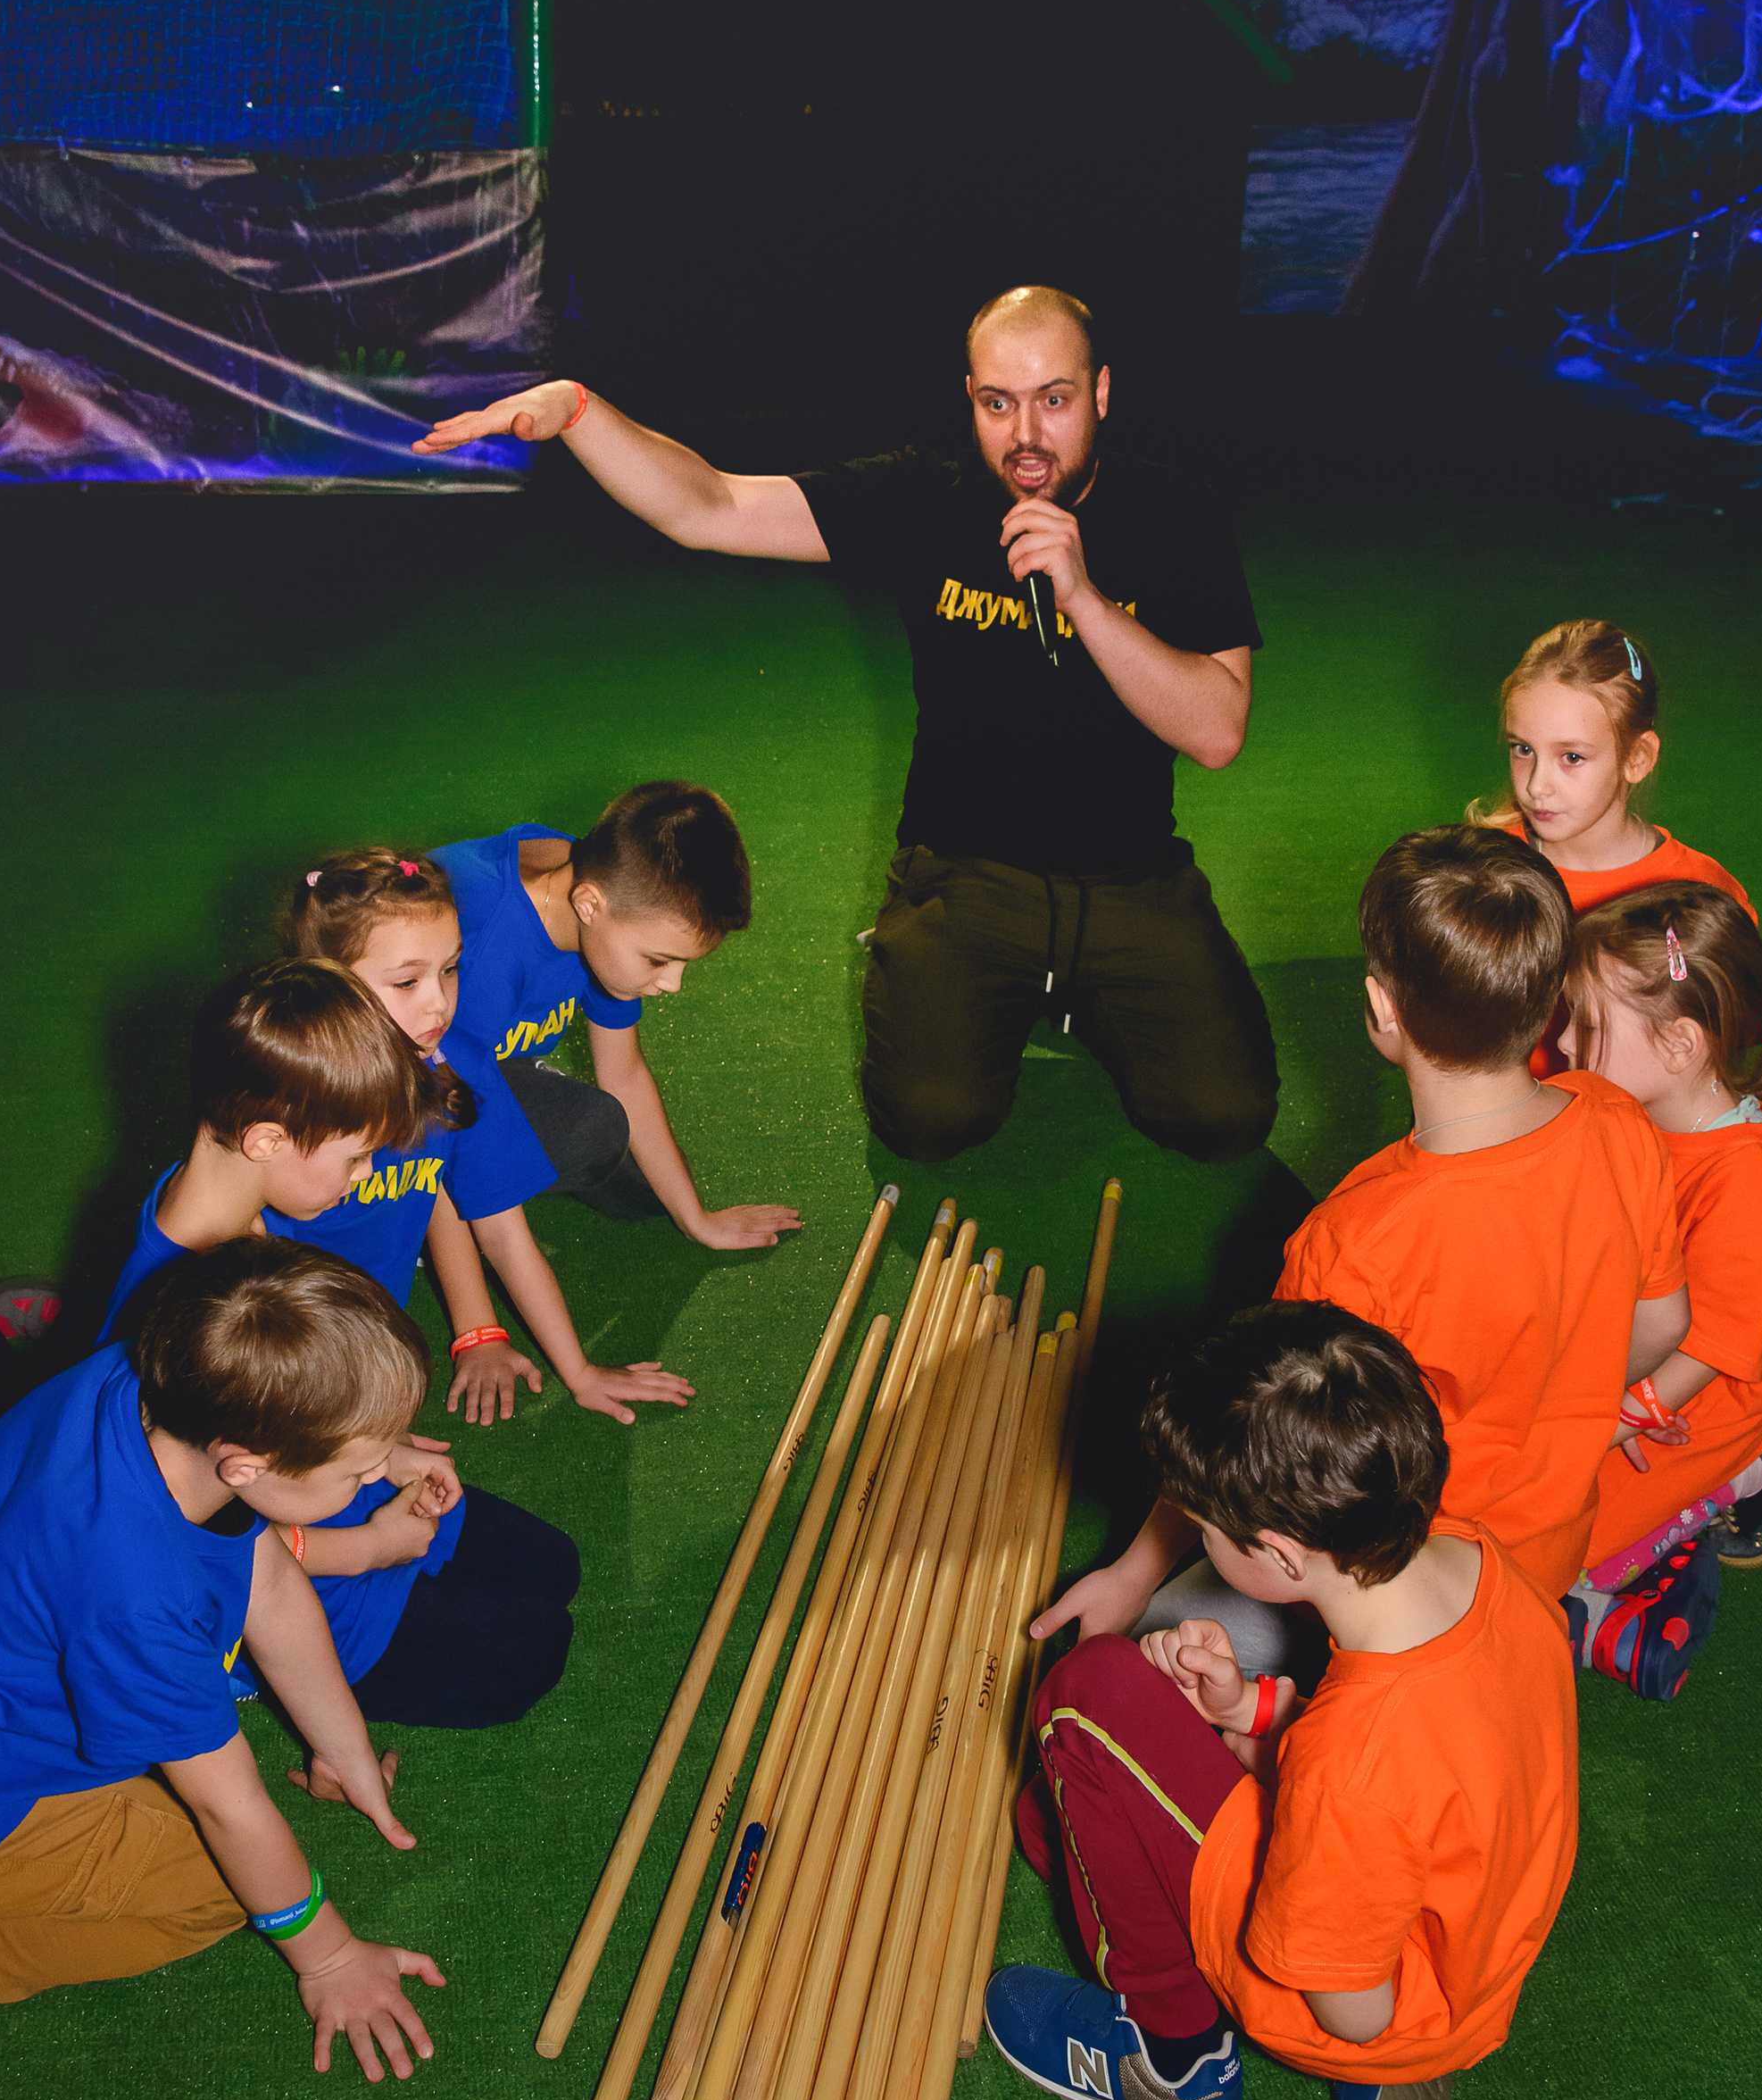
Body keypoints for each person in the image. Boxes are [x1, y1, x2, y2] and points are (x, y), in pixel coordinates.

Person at [413, 287, 1278, 1167]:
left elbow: (1216, 731)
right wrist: (577, 412)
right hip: (968, 872)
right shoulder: (927, 497)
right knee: (931, 1121)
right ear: (969, 397)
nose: (1024, 435)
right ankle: (983, 974)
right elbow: (708, 505)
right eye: (996, 403)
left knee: (1224, 1117)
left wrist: (1084, 600)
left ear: (1098, 393)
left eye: (1052, 399)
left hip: (1132, 879)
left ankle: (1071, 995)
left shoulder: (1178, 516)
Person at [0, 1241, 447, 2082]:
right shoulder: (140, 1594)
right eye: (358, 1467)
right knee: (219, 1888)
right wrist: (325, 1958)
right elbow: (231, 1806)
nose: (372, 1480)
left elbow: (264, 1575)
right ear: (246, 1463)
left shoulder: (143, 1381)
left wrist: (342, 1744)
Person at [1050, 826, 1688, 1662]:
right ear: (1546, 1000)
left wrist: (1136, 1574)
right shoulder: (1619, 1122)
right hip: (1548, 1552)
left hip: (1394, 1581)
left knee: (1159, 1647)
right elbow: (1663, 1324)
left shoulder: (1353, 1239)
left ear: (1383, 1007)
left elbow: (1257, 1453)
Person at [985, 1305, 1578, 2100]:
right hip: (1467, 1945)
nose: (1196, 1533)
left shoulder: (1349, 1768)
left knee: (1086, 1699)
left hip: (1365, 2001)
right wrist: (1255, 1716)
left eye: (1207, 1527)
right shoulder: (1477, 1560)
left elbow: (1349, 2004)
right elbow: (1425, 1768)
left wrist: (1297, 1809)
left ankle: (1173, 2061)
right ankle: (1400, 2034)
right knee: (1065, 1808)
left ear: (1277, 1555)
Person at [104, 949, 581, 1746]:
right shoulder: (187, 1302)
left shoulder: (246, 1221)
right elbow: (174, 1537)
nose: (365, 1178)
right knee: (533, 1651)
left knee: (552, 1566)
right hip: (276, 1575)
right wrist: (362, 1549)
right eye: (357, 1156)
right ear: (266, 1139)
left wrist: (384, 1458)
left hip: (317, 1491)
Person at [286, 846, 694, 1427]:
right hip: (285, 1318)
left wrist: (572, 1370)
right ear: (325, 986)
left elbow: (486, 1221)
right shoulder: (284, 1096)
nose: (440, 1002)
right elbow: (239, 1265)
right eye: (407, 981)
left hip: (371, 1322)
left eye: (451, 969)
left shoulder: (453, 1075)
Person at [1559, 885, 1762, 1697]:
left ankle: (1735, 1488)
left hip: (1691, 1411)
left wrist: (1613, 1419)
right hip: (1625, 1367)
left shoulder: (1743, 1181)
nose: (1562, 1039)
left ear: (1679, 1045)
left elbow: (1712, 1349)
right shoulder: (1635, 1106)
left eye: (1585, 1024)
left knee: (1541, 1544)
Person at [430, 782, 801, 1272]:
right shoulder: (486, 951)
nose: (672, 985)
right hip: (405, 1081)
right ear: (589, 905)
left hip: (479, 1056)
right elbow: (447, 1104)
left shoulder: (597, 883)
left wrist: (697, 1220)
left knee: (645, 1183)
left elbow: (622, 1073)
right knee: (582, 1132)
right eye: (659, 960)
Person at [1475, 617, 1751, 914]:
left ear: (1637, 758)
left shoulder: (1702, 893)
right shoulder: (1477, 876)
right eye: (1523, 749)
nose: (1536, 786)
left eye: (1572, 757)